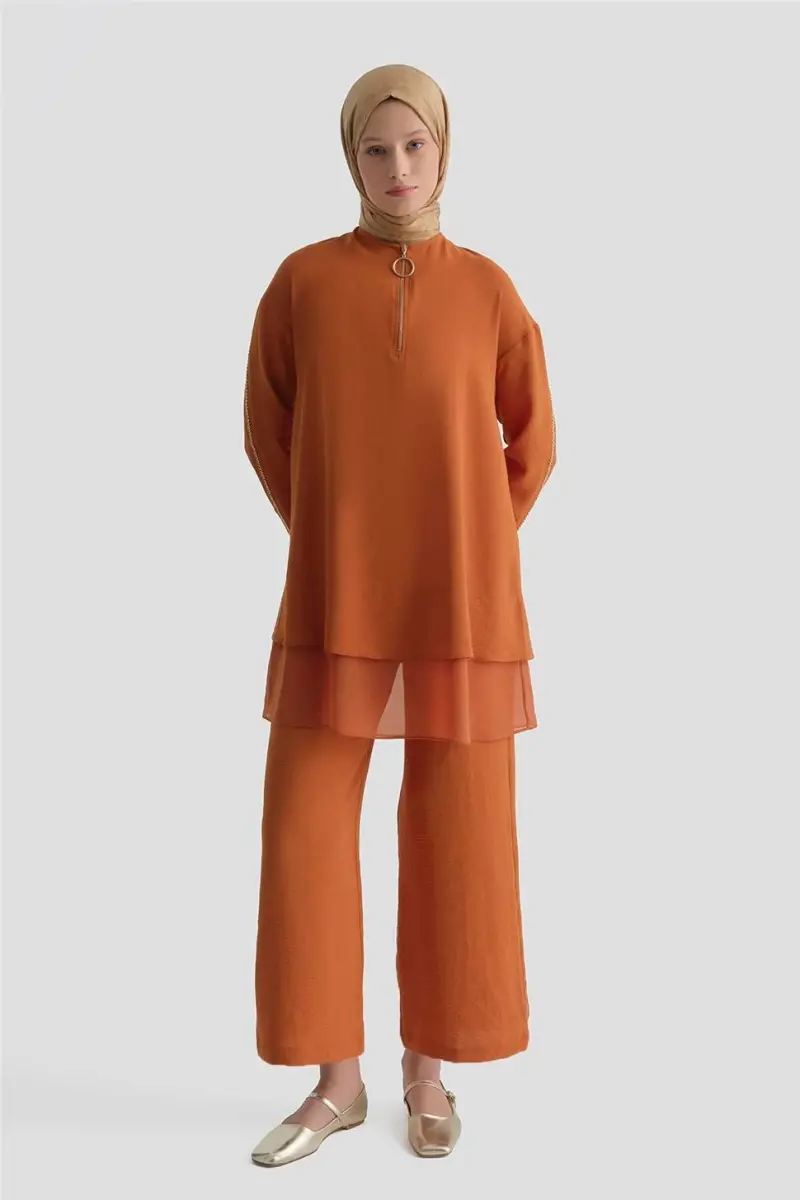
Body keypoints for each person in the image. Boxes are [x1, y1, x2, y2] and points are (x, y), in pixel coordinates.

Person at [244, 63, 556, 1166]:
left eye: (413, 145)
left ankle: (429, 1071)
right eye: (374, 149)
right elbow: (267, 432)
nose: (396, 168)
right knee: (304, 830)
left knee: (459, 833)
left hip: (461, 607)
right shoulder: (301, 283)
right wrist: (335, 537)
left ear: (443, 149)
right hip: (336, 598)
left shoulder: (488, 290)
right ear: (350, 158)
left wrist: (466, 541)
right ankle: (336, 1084)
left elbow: (533, 441)